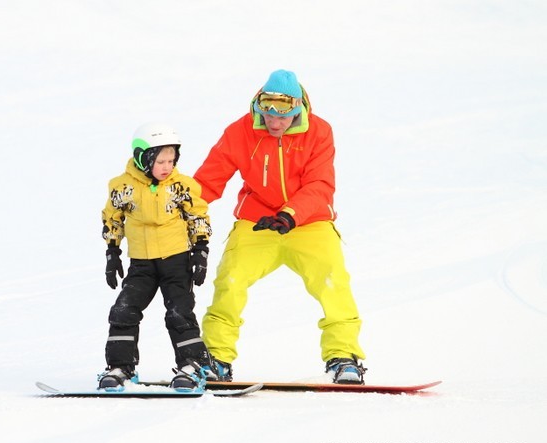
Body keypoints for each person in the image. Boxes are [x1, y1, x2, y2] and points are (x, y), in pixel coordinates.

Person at [193, 69, 367, 384]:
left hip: (309, 222)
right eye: (268, 115)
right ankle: (216, 357)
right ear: (260, 105)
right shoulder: (241, 131)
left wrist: (289, 215)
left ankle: (344, 358)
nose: (275, 123)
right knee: (230, 281)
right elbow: (209, 178)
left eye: (283, 117)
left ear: (298, 109)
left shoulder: (319, 132)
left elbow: (320, 184)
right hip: (257, 223)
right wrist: (180, 207)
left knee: (333, 283)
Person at [98, 122, 216, 391]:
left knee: (178, 313)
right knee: (123, 311)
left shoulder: (181, 186)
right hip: (141, 264)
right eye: (160, 161)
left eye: (171, 160)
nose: (167, 167)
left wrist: (200, 251)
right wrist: (112, 252)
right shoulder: (122, 186)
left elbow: (197, 216)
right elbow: (112, 219)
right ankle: (120, 368)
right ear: (143, 158)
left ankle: (192, 365)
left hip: (176, 261)